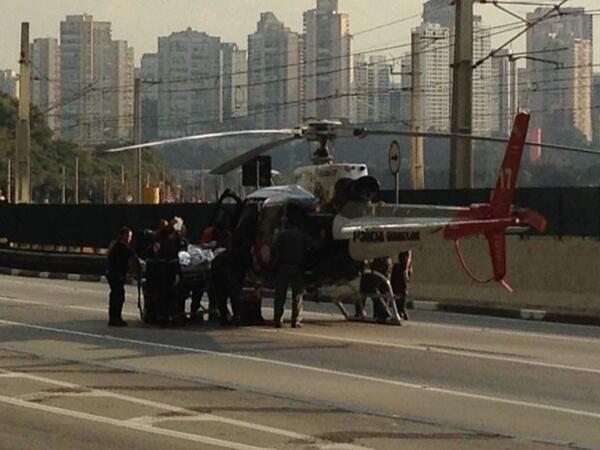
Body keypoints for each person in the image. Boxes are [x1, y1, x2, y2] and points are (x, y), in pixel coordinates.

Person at [271, 216, 316, 328]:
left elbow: (274, 248)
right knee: (297, 295)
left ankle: (278, 319)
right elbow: (313, 245)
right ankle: (295, 320)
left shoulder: (281, 235)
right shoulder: (301, 235)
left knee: (280, 294)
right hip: (297, 267)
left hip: (283, 266)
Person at [106, 227, 139, 327]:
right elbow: (132, 256)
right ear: (124, 235)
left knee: (115, 295)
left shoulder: (114, 243)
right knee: (118, 297)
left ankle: (114, 318)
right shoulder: (121, 246)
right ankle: (116, 319)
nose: (130, 238)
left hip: (112, 273)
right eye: (129, 236)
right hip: (117, 274)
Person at [391, 251, 412, 321]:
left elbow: (408, 256)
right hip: (403, 266)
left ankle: (401, 311)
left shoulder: (401, 266)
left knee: (400, 289)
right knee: (397, 289)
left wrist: (406, 269)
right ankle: (401, 310)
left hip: (403, 267)